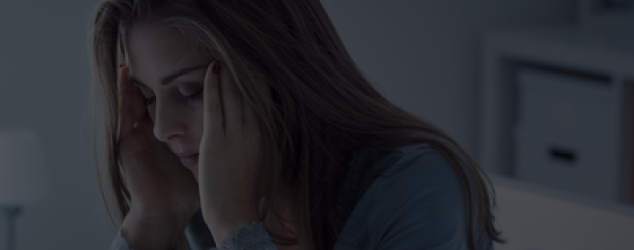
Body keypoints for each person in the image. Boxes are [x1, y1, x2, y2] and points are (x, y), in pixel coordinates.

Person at [87, 0, 504, 249]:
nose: (161, 129)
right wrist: (152, 220)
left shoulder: (415, 189)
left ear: (277, 72)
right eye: (147, 97)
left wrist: (236, 229)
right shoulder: (197, 196)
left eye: (192, 91)